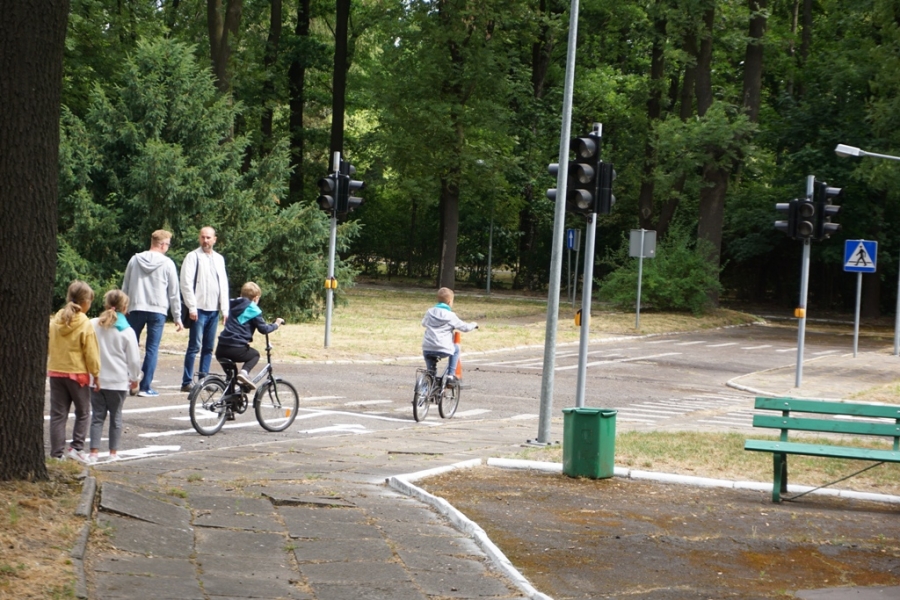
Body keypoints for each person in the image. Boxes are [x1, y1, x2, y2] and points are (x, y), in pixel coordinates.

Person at [122, 229, 183, 397]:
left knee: (131, 346)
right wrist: (177, 316)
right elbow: (173, 292)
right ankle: (145, 387)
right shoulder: (167, 263)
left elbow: (125, 286)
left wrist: (123, 308)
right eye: (168, 244)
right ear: (162, 245)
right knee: (152, 349)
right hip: (157, 309)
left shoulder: (135, 260)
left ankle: (130, 380)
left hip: (136, 307)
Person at [48, 281, 101, 463]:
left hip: (56, 371)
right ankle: (77, 447)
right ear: (85, 302)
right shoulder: (84, 323)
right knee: (83, 412)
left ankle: (56, 454)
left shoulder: (56, 320)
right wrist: (96, 374)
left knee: (58, 415)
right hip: (77, 374)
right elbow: (91, 352)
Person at [88, 290, 143, 463]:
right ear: (125, 308)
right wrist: (135, 378)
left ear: (105, 304)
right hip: (118, 382)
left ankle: (93, 453)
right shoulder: (127, 331)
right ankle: (113, 453)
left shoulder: (93, 324)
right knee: (116, 417)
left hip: (96, 379)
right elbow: (133, 360)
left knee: (97, 417)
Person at [180, 226, 229, 392]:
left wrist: (225, 309)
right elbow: (186, 283)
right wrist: (192, 307)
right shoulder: (193, 256)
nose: (205, 240)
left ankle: (204, 380)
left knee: (208, 347)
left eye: (208, 237)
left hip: (214, 310)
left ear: (214, 239)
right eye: (203, 237)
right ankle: (187, 381)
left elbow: (223, 285)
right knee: (194, 346)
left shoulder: (219, 259)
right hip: (198, 309)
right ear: (199, 238)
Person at [215, 282, 284, 390]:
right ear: (256, 298)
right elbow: (263, 329)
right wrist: (276, 324)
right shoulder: (253, 309)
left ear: (241, 294)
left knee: (232, 378)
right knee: (255, 355)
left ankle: (230, 397)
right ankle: (244, 372)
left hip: (221, 348)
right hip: (236, 348)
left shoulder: (231, 304)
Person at [421, 287, 478, 383]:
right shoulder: (451, 316)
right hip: (443, 348)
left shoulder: (429, 312)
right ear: (449, 301)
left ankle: (429, 380)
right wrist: (473, 324)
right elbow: (465, 328)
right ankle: (450, 375)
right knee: (456, 349)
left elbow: (423, 323)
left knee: (430, 369)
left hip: (428, 347)